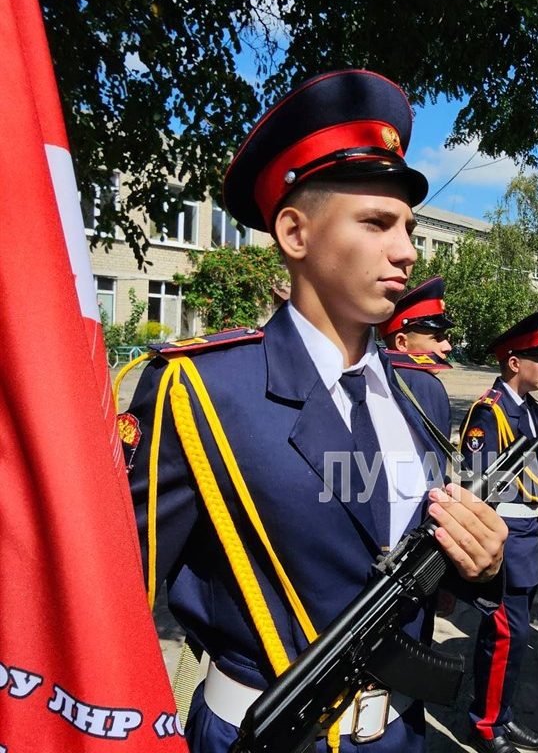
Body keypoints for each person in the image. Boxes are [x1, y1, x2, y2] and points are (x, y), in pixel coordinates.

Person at [122, 69, 507, 753]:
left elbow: (404, 561)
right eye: (376, 222)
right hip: (263, 735)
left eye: (409, 226)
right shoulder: (204, 388)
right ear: (295, 233)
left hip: (402, 733)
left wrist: (479, 565)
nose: (407, 250)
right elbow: (112, 596)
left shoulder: (418, 394)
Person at [459, 312, 538, 753]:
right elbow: (477, 489)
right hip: (504, 540)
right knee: (502, 636)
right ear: (514, 363)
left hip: (528, 536)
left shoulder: (530, 410)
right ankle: (485, 724)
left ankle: (502, 714)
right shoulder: (489, 411)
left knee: (514, 638)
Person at [379, 275, 455, 437]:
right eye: (436, 337)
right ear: (402, 343)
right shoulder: (424, 383)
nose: (447, 347)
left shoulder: (377, 373)